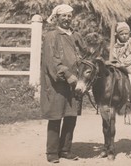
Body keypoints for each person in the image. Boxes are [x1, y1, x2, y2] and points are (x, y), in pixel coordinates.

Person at [41, 4, 86, 163]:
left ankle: (65, 149)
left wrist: (82, 73)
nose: (67, 19)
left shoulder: (75, 35)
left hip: (75, 82)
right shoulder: (51, 36)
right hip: (57, 84)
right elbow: (52, 61)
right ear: (57, 18)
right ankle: (52, 152)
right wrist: (67, 74)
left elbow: (84, 53)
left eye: (69, 16)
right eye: (63, 16)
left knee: (71, 115)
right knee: (55, 116)